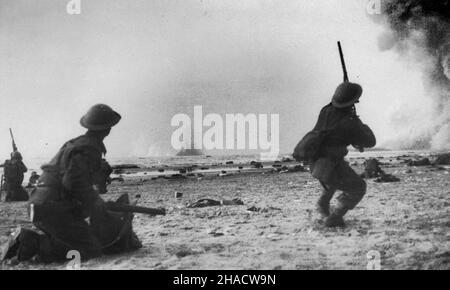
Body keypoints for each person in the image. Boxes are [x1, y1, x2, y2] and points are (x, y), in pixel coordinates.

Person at [1, 104, 142, 263]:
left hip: (39, 203)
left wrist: (92, 202)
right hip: (53, 207)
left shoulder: (75, 143)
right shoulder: (90, 147)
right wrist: (95, 201)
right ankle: (34, 243)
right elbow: (73, 181)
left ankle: (34, 241)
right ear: (108, 128)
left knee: (77, 238)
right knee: (91, 250)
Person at [309, 82, 376, 227]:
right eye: (355, 100)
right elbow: (370, 141)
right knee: (358, 188)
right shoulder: (350, 122)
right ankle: (334, 217)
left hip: (315, 160)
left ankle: (322, 205)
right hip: (330, 164)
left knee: (331, 183)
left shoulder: (326, 110)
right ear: (351, 102)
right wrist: (358, 122)